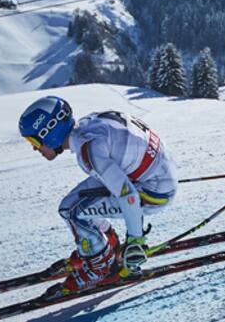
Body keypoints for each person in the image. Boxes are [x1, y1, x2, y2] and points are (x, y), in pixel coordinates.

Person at [18, 96, 177, 296]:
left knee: (75, 213)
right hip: (154, 176)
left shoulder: (90, 150)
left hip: (153, 192)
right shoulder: (88, 126)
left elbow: (128, 196)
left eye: (34, 140)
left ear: (48, 133)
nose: (34, 147)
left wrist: (136, 241)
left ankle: (100, 269)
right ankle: (104, 246)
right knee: (68, 207)